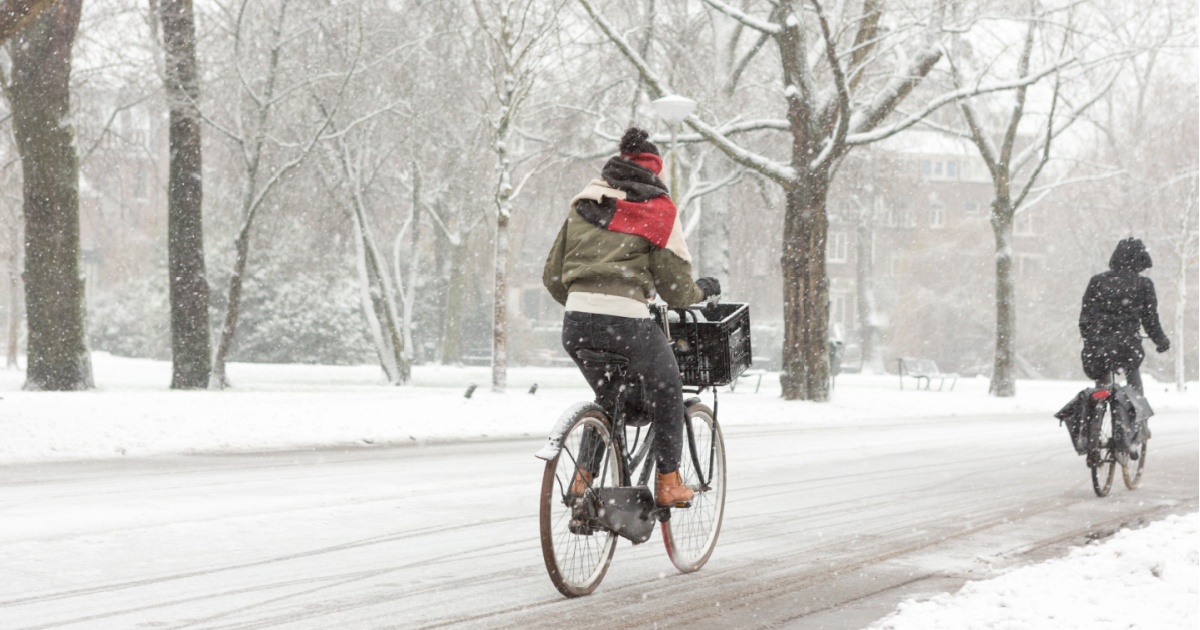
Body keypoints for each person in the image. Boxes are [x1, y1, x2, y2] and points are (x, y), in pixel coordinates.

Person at [543, 127, 720, 508]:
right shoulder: (656, 210)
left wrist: (585, 300)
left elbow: (552, 277)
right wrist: (702, 291)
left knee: (609, 396)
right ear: (654, 174)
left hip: (575, 323)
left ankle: (582, 479)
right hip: (627, 323)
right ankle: (669, 483)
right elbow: (676, 292)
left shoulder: (585, 204)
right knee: (669, 388)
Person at [1078, 237, 1170, 396]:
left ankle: (1097, 409)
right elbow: (1150, 321)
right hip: (1127, 346)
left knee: (1101, 386)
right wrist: (1161, 341)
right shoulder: (1143, 284)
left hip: (1098, 347)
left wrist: (1091, 338)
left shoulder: (1097, 281)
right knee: (1134, 381)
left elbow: (1085, 318)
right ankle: (1138, 416)